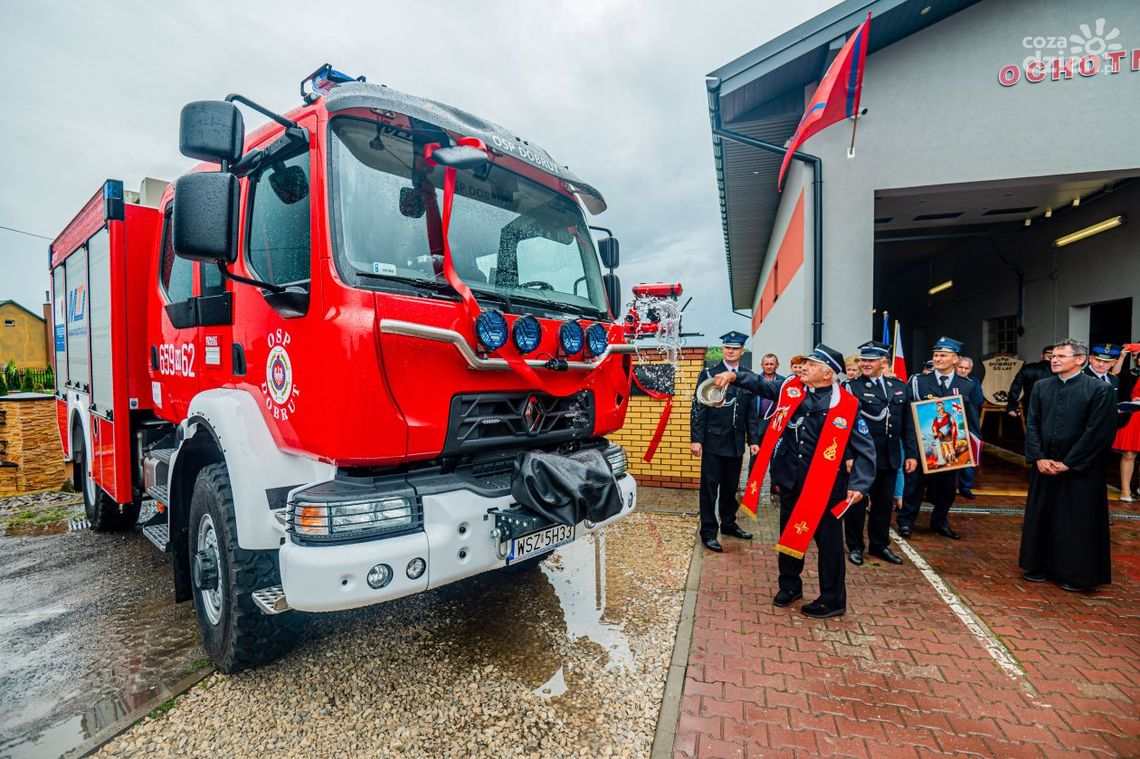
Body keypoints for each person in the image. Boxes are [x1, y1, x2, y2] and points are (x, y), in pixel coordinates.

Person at [715, 344, 876, 618]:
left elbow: (865, 449)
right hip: (791, 480)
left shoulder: (846, 405)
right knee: (790, 537)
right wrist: (734, 376)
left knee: (829, 545)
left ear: (827, 374)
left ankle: (833, 599)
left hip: (826, 487)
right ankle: (790, 586)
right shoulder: (792, 390)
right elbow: (759, 385)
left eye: (811, 365)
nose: (804, 368)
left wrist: (859, 485)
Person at [1019, 339, 1116, 591]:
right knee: (1042, 514)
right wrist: (1038, 457)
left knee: (1076, 521)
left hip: (1080, 468)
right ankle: (1039, 565)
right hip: (1044, 464)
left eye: (1062, 355)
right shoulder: (1041, 387)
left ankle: (1074, 573)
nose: (1054, 359)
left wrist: (1069, 462)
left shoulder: (1098, 390)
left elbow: (1097, 432)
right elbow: (1032, 423)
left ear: (1080, 360)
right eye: (1053, 355)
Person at [897, 337, 981, 540]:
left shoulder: (966, 385)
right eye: (936, 355)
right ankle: (906, 522)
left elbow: (971, 419)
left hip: (950, 446)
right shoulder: (919, 381)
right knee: (914, 486)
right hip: (922, 444)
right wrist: (910, 448)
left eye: (943, 355)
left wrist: (972, 447)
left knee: (946, 489)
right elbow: (909, 416)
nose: (938, 358)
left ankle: (939, 522)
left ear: (955, 359)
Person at [842, 341, 916, 566]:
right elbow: (842, 425)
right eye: (863, 359)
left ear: (884, 362)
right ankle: (855, 546)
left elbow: (908, 423)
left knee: (883, 505)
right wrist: (847, 455)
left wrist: (911, 453)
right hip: (862, 458)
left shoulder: (899, 386)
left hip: (889, 456)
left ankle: (879, 544)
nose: (865, 364)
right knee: (856, 504)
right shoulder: (852, 387)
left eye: (871, 360)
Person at [690, 331, 760, 552]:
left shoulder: (748, 376)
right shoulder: (709, 373)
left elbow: (752, 412)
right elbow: (698, 407)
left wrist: (753, 439)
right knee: (710, 489)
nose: (730, 351)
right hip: (712, 440)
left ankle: (729, 524)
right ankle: (709, 532)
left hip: (736, 442)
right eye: (727, 347)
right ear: (723, 349)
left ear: (742, 351)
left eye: (735, 348)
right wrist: (696, 440)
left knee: (731, 488)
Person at [750, 353, 785, 475]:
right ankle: (752, 482)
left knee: (776, 453)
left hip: (777, 421)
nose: (769, 366)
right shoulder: (755, 380)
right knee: (756, 452)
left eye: (772, 364)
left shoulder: (784, 381)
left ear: (777, 365)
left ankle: (775, 483)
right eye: (766, 364)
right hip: (759, 421)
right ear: (762, 365)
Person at [955, 356, 985, 499]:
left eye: (966, 368)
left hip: (970, 422)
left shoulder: (974, 382)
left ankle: (965, 486)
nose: (963, 370)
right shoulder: (950, 381)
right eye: (960, 367)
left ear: (970, 370)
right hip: (952, 423)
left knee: (969, 455)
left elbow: (979, 400)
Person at [1007, 345, 1054, 417]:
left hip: (1030, 407)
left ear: (1041, 356)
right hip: (1054, 409)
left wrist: (1012, 406)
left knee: (1032, 427)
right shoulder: (1061, 371)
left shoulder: (1028, 368)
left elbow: (1016, 387)